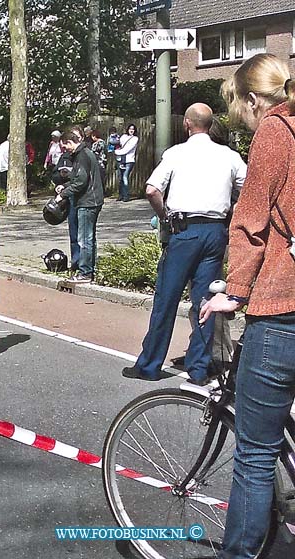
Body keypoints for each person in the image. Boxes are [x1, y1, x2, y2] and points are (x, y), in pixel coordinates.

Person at [199, 53, 295, 559]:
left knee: (256, 455)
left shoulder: (277, 132)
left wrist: (231, 293)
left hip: (285, 310)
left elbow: (251, 223)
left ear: (255, 100)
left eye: (243, 110)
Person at [122, 103, 246, 385]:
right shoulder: (228, 156)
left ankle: (150, 364)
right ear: (211, 124)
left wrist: (164, 216)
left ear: (188, 124)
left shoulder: (176, 154)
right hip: (215, 232)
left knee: (166, 298)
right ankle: (199, 368)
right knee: (205, 300)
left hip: (184, 230)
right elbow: (248, 188)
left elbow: (152, 189)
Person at [54, 129, 103, 283]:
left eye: (65, 146)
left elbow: (81, 182)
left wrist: (63, 194)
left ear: (70, 142)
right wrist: (66, 185)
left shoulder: (81, 156)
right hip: (93, 199)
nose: (65, 150)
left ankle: (85, 272)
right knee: (90, 238)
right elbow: (80, 178)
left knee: (84, 239)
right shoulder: (86, 153)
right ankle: (90, 269)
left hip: (87, 201)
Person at [51, 153, 78, 273]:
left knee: (85, 237)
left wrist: (64, 188)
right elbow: (54, 175)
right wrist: (60, 183)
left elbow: (81, 180)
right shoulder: (63, 156)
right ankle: (75, 263)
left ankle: (85, 267)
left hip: (84, 200)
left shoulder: (84, 156)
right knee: (73, 234)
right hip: (70, 198)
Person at [114, 123, 138, 201]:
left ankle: (126, 196)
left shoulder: (135, 139)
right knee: (120, 177)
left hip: (129, 160)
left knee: (125, 177)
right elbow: (118, 144)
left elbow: (127, 149)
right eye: (130, 129)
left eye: (133, 129)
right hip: (121, 160)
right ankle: (120, 195)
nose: (131, 130)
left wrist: (117, 152)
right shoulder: (123, 136)